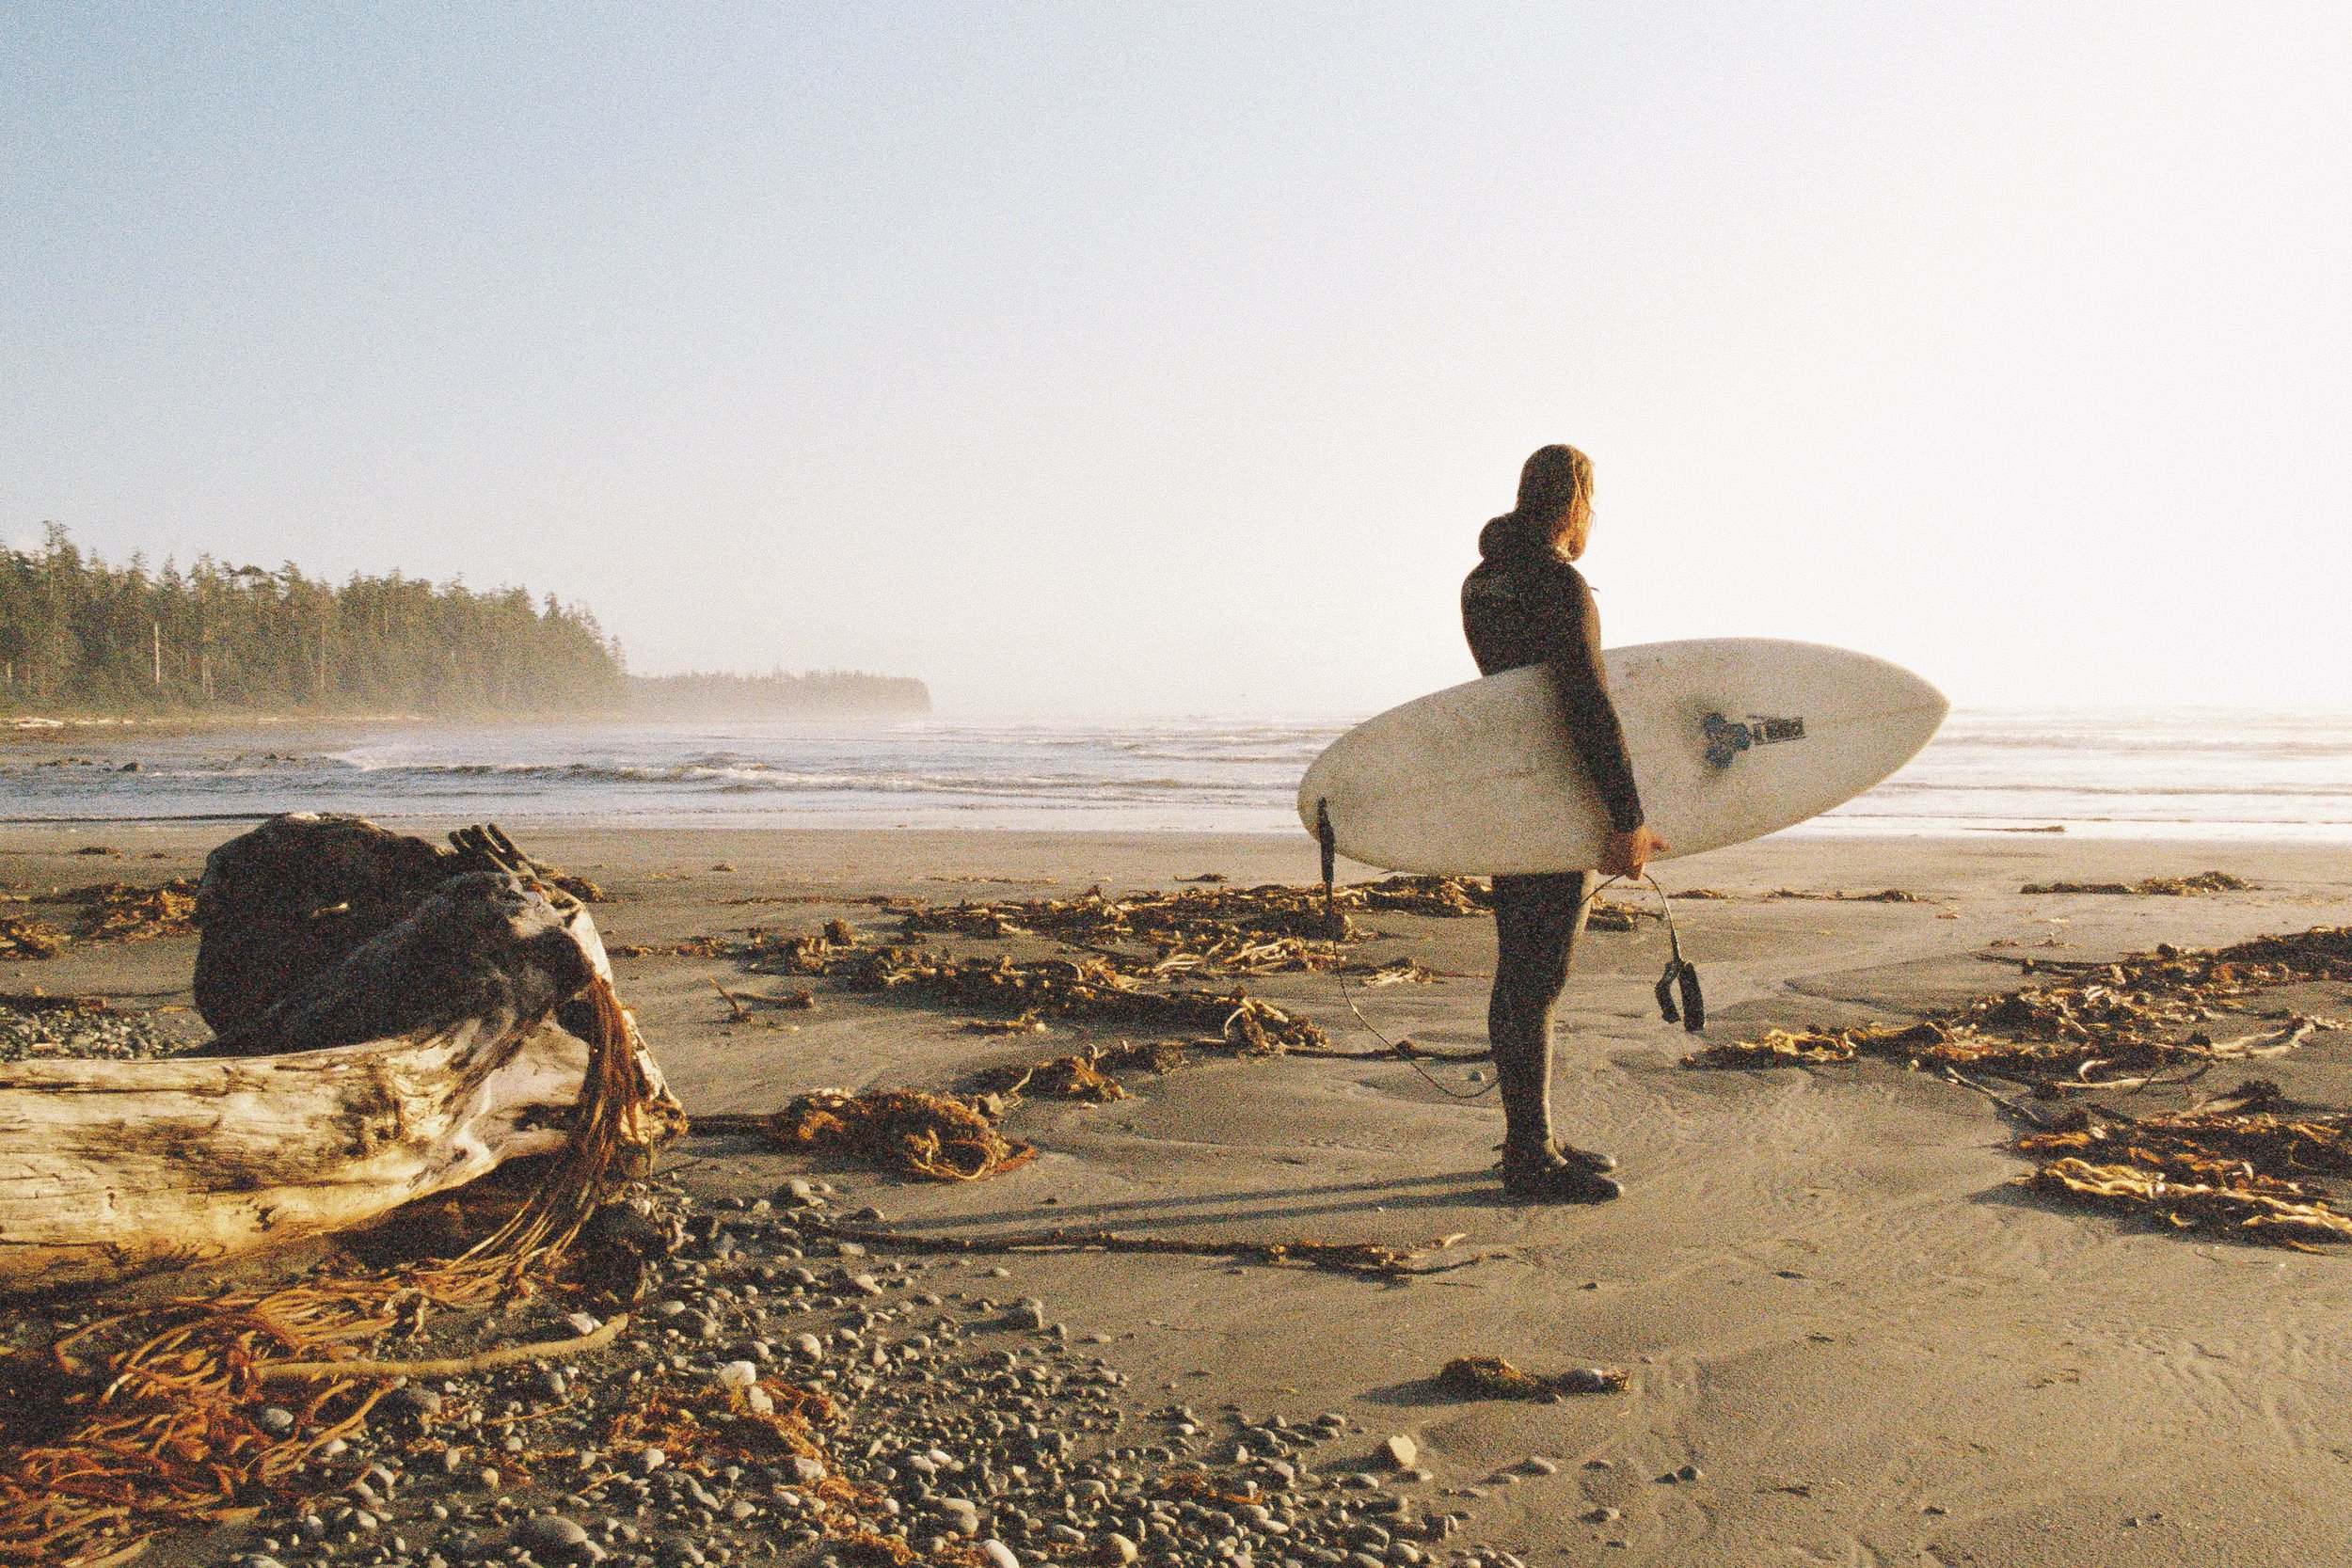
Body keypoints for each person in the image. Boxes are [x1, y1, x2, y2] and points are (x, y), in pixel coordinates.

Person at [1460, 444, 1668, 1203]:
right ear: (1575, 504)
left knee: (1520, 967)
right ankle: (1527, 1153)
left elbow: (1510, 704)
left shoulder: (1482, 584)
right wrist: (1628, 817)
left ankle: (1531, 1134)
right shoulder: (1558, 584)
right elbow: (1586, 705)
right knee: (1538, 976)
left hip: (1509, 798)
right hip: (1560, 796)